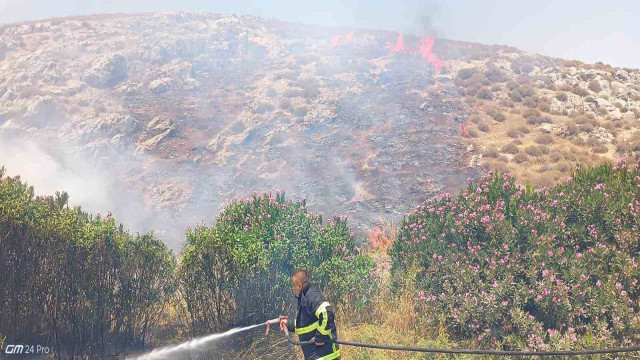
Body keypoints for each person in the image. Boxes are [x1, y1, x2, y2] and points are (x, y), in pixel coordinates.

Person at [279, 268, 340, 360]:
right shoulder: (304, 299)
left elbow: (327, 311)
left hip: (325, 356)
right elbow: (306, 325)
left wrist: (320, 338)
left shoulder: (311, 296)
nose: (293, 289)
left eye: (293, 286)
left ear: (299, 285)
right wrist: (288, 324)